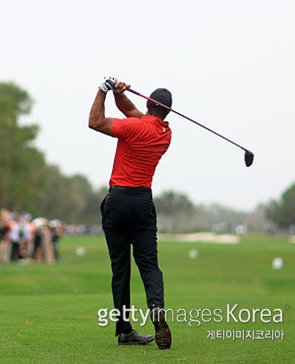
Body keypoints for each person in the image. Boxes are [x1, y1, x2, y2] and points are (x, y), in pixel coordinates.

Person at [88, 77, 172, 349]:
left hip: (119, 200)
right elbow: (132, 113)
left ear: (149, 102)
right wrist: (118, 94)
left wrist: (102, 90)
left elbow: (95, 122)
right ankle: (156, 307)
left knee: (120, 270)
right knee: (149, 264)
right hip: (143, 202)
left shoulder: (134, 127)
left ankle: (125, 330)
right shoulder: (164, 133)